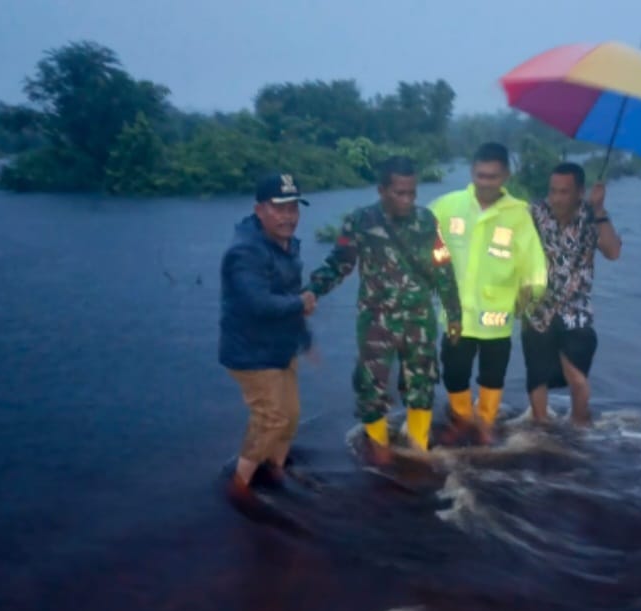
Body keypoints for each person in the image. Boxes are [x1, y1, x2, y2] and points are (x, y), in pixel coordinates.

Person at [306, 156, 461, 464]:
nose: (407, 200)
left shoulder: (427, 221)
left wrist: (454, 313)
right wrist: (313, 290)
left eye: (412, 193)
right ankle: (378, 452)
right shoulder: (360, 221)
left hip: (419, 318)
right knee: (370, 386)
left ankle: (418, 449)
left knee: (422, 383)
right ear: (381, 190)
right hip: (377, 320)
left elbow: (443, 267)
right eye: (399, 193)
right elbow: (340, 263)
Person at [428, 142, 548, 443]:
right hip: (456, 313)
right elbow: (416, 237)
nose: (485, 183)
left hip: (497, 314)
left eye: (492, 176)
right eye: (480, 175)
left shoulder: (519, 214)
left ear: (505, 175)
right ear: (472, 172)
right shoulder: (447, 205)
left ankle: (485, 422)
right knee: (454, 373)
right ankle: (462, 417)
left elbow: (534, 263)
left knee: (492, 376)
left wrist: (530, 297)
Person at [219, 172, 318, 504]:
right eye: (280, 209)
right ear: (259, 209)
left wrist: (304, 340)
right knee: (270, 417)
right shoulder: (245, 252)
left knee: (290, 415)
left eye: (293, 208)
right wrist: (301, 302)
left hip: (280, 346)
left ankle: (276, 468)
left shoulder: (287, 245)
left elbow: (289, 294)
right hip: (251, 353)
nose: (289, 217)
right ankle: (239, 485)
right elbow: (257, 304)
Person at [521, 162, 621, 426]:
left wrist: (599, 210)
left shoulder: (592, 217)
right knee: (537, 377)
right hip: (538, 308)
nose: (556, 198)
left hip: (576, 312)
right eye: (553, 190)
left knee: (577, 380)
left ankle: (579, 431)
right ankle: (541, 430)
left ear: (579, 192)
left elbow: (613, 252)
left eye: (564, 192)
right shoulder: (535, 212)